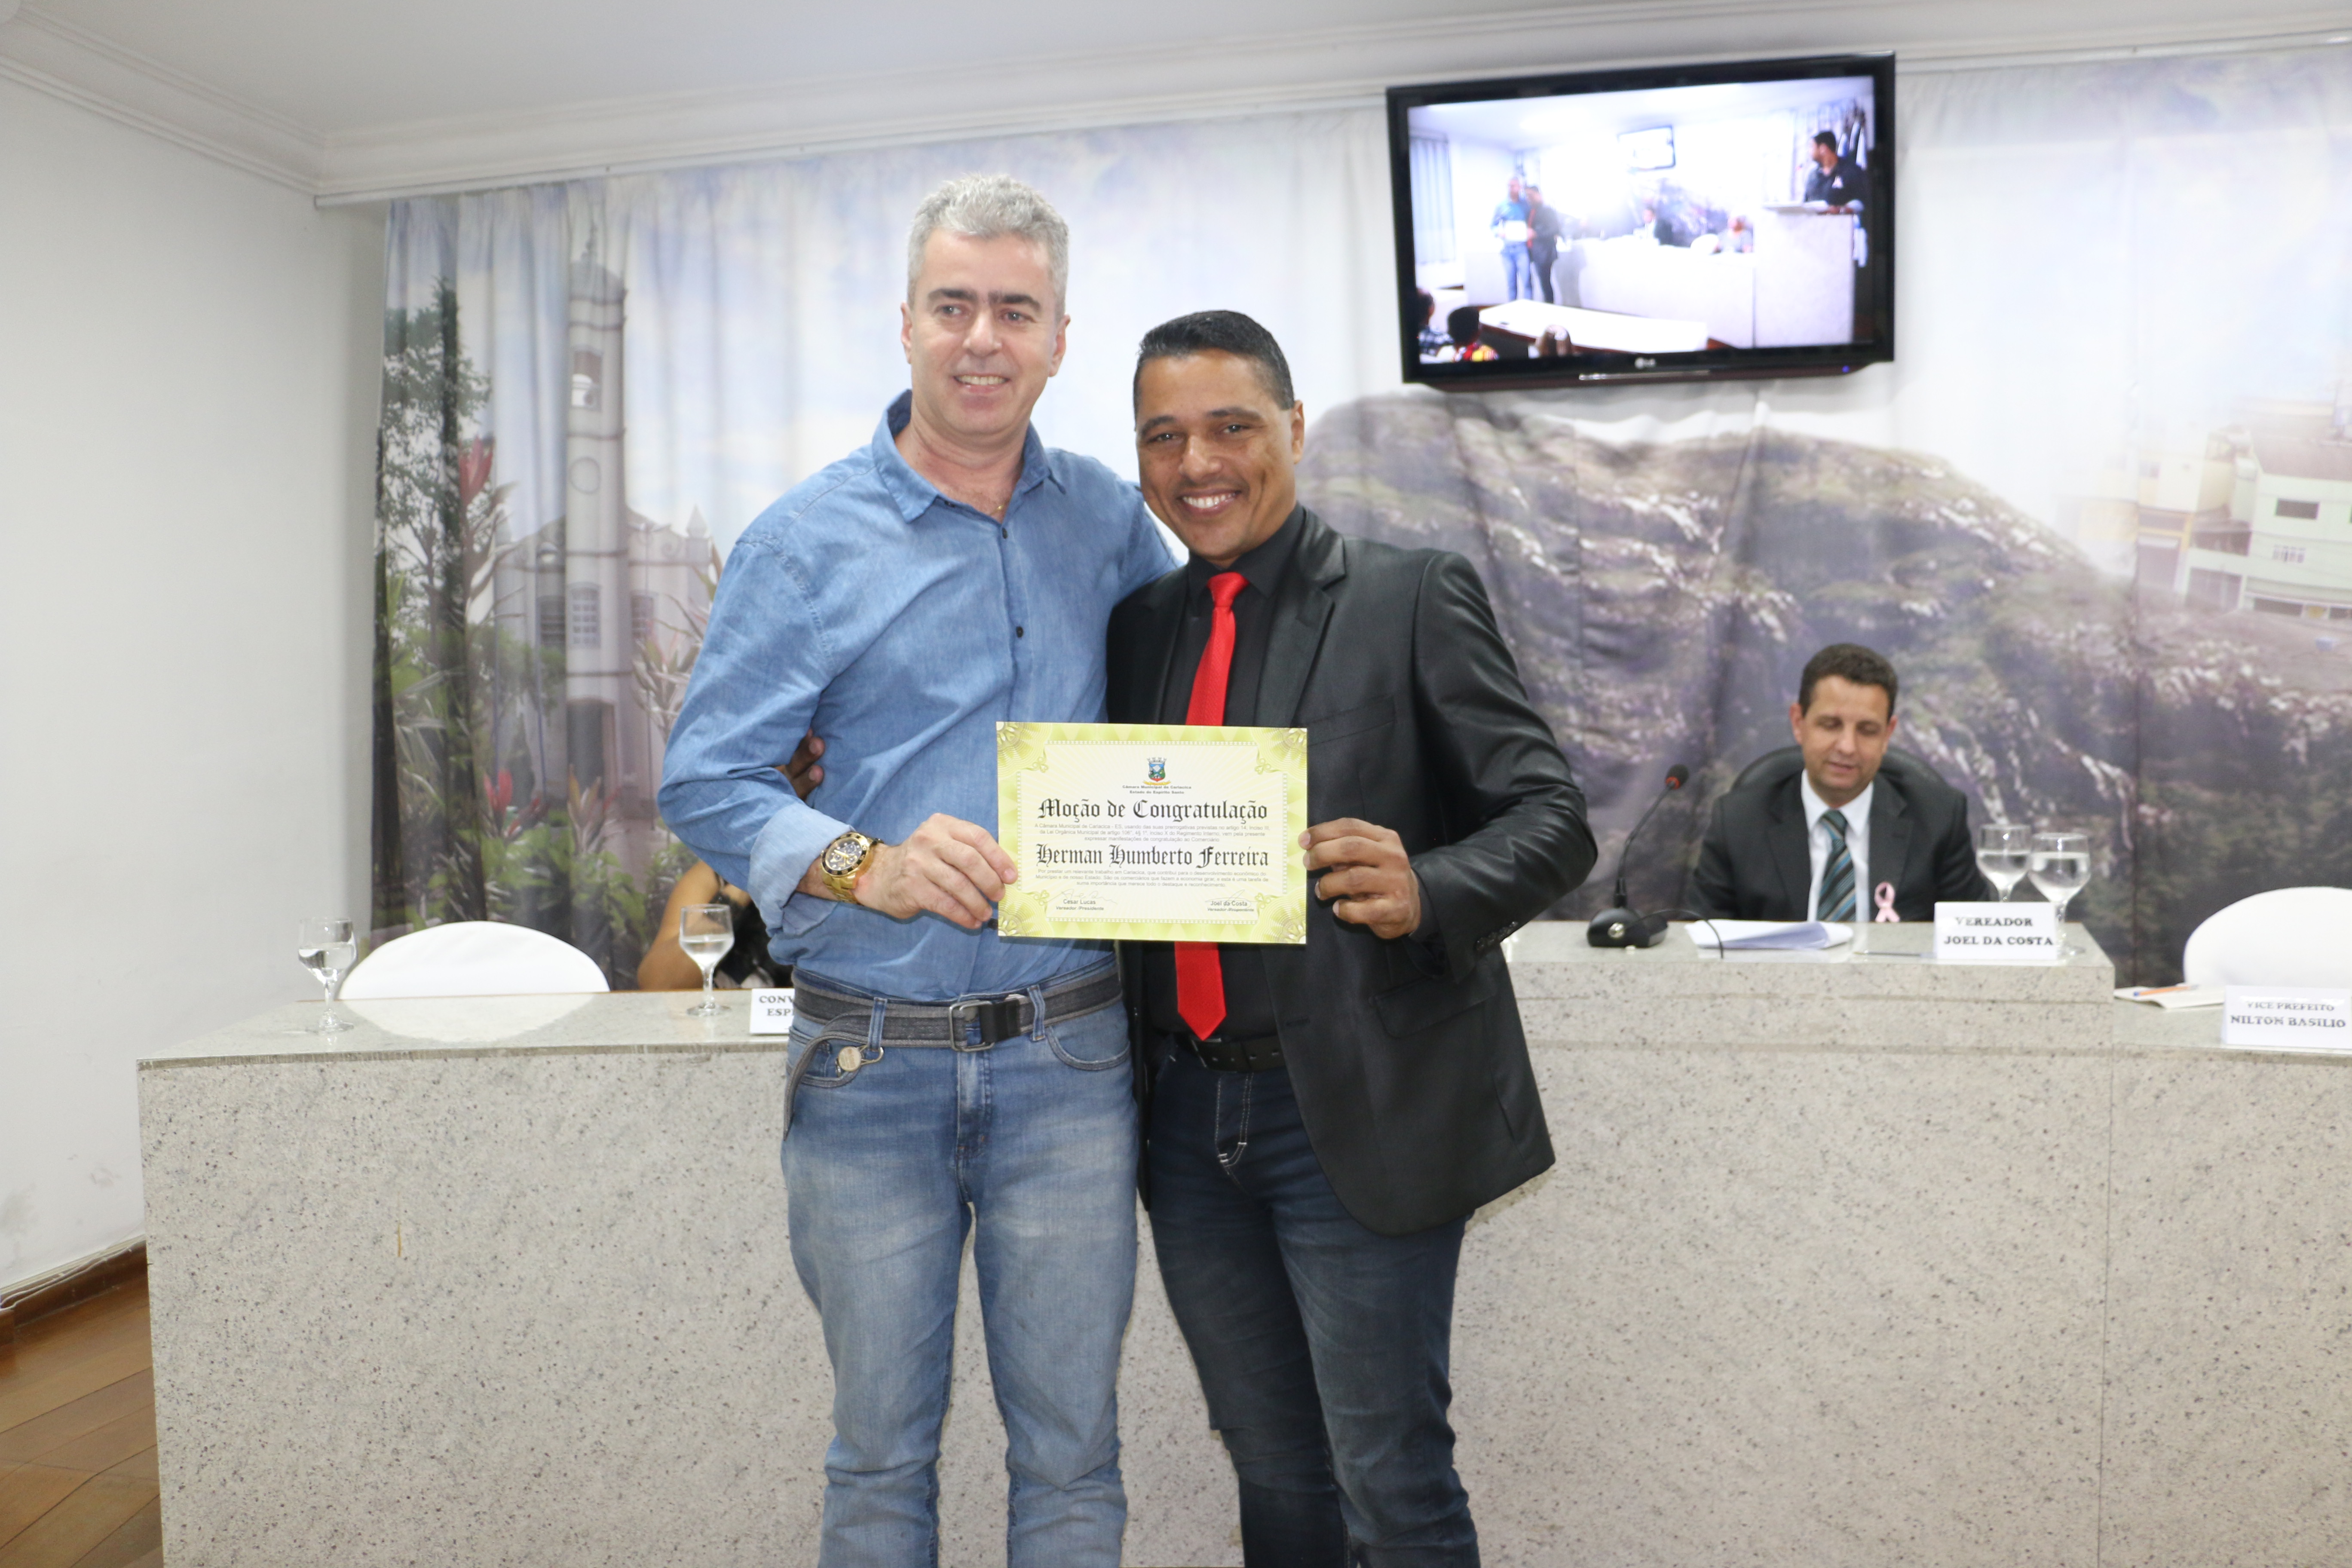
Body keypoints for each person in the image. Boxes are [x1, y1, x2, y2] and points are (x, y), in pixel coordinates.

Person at [657, 174, 1175, 1568]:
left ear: (1060, 337)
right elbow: (704, 778)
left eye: (1015, 309)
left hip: (1070, 1063)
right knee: (880, 1463)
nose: (982, 338)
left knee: (1072, 1457)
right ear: (905, 324)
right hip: (865, 1067)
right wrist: (863, 863)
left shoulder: (1112, 525)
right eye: (954, 305)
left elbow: (1186, 728)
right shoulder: (802, 542)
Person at [1109, 310, 1595, 1567]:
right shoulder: (1136, 627)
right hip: (1182, 1121)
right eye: (1163, 436)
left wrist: (1428, 886)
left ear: (1292, 429)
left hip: (1355, 1108)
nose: (1197, 462)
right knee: (1272, 1470)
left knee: (1390, 1480)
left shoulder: (1408, 595)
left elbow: (1552, 818)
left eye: (1230, 426)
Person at [1689, 643, 1993, 923]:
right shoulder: (1739, 821)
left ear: (1887, 735)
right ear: (1799, 723)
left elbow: (1973, 939)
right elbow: (1701, 944)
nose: (1847, 747)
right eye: (1830, 725)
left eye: (1867, 730)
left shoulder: (1938, 819)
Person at [1489, 175, 1533, 302]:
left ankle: (1529, 308)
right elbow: (1493, 225)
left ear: (1519, 187)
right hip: (1507, 250)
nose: (1511, 188)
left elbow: (1533, 221)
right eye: (1509, 186)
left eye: (1514, 186)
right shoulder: (1502, 205)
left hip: (1522, 249)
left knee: (1527, 282)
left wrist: (1531, 231)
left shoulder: (1526, 204)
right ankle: (1512, 309)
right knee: (1511, 285)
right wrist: (1499, 232)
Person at [1803, 130, 1868, 210]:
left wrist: (1841, 210)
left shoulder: (1851, 171)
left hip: (1842, 218)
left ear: (1823, 149)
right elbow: (1805, 203)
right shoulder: (1812, 176)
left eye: (1812, 147)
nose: (1809, 151)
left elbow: (1862, 201)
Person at [1525, 184, 1565, 305]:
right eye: (1527, 196)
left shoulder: (1547, 211)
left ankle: (1550, 306)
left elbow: (1555, 229)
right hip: (1535, 253)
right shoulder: (1531, 211)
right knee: (1544, 283)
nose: (1529, 198)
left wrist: (1536, 234)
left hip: (1545, 254)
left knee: (1546, 284)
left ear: (1538, 195)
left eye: (1531, 195)